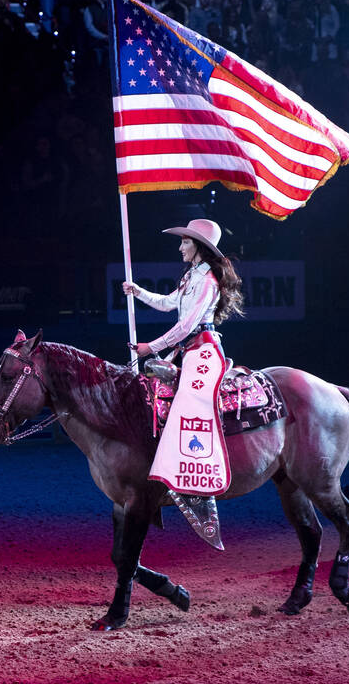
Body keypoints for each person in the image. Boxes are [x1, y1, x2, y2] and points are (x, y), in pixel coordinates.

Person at [121, 218, 244, 548]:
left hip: (204, 350)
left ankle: (198, 482)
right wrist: (138, 292)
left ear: (198, 247)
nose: (180, 247)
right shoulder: (191, 276)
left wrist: (151, 347)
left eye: (185, 242)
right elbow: (168, 304)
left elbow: (186, 324)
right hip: (187, 350)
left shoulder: (208, 282)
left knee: (190, 404)